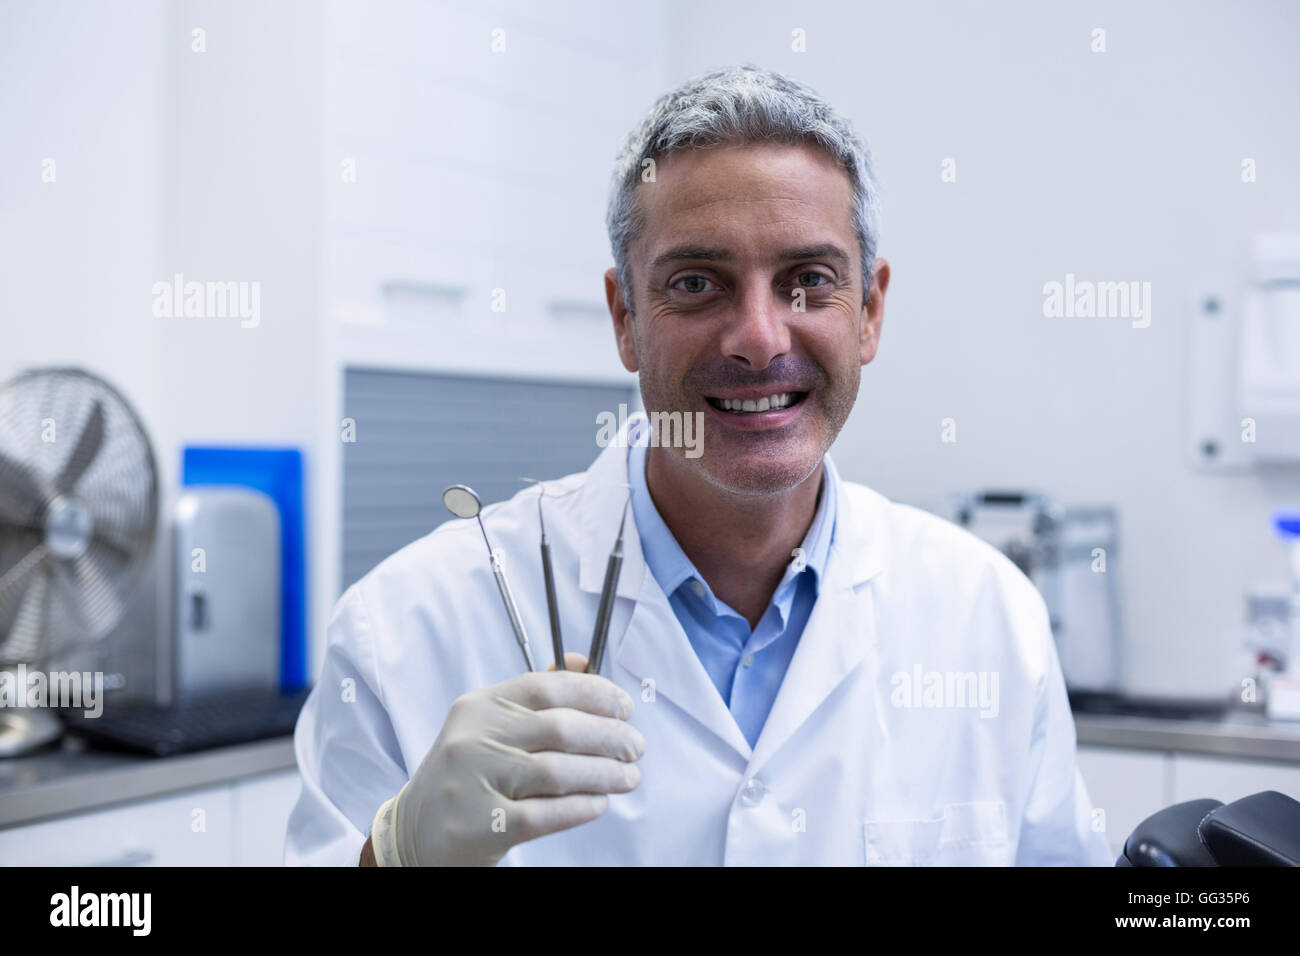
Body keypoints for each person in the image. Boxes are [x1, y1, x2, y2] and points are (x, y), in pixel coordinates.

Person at [286, 64, 1113, 867]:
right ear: (625, 318)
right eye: (696, 282)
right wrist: (394, 860)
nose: (758, 336)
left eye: (808, 281)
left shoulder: (991, 617)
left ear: (868, 311)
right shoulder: (404, 627)